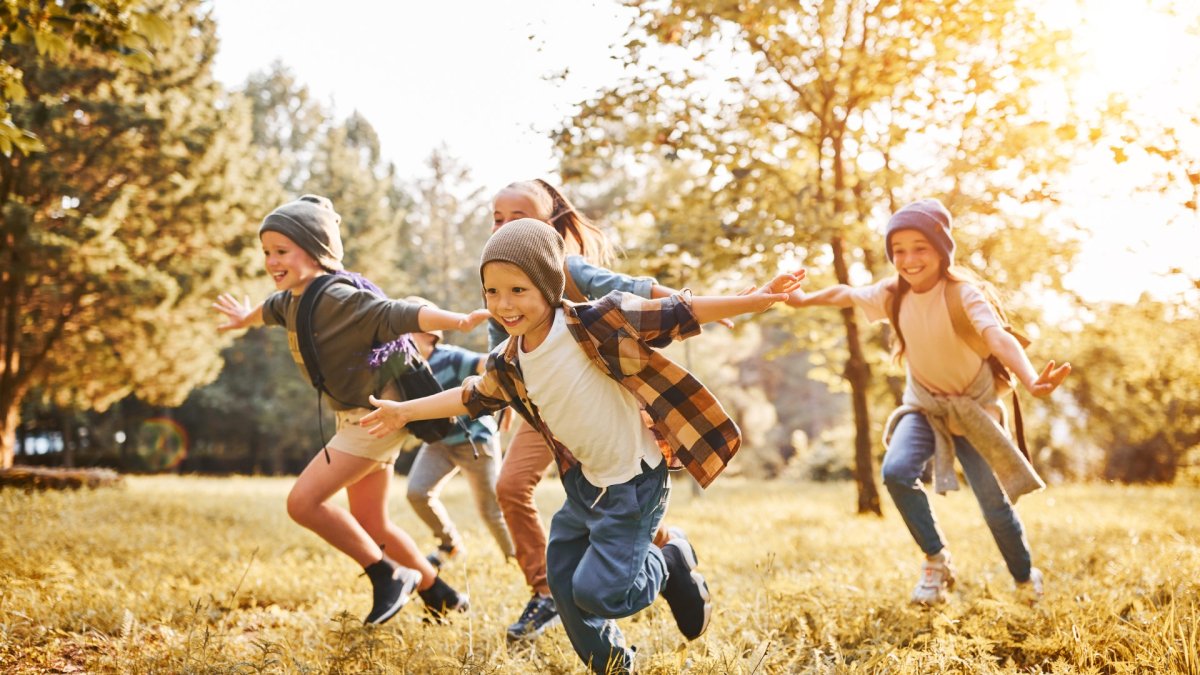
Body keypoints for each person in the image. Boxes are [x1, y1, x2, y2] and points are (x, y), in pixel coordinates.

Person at [361, 219, 805, 673]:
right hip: (584, 486)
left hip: (634, 482)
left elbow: (675, 311)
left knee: (601, 592)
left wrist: (755, 299)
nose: (503, 304)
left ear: (548, 285)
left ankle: (668, 560)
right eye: (491, 291)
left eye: (518, 290)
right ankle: (613, 665)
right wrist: (405, 411)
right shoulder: (509, 360)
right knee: (564, 583)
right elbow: (472, 395)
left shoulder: (595, 322)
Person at [212, 194, 490, 625]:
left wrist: (457, 321)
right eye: (267, 252)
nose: (271, 261)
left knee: (303, 503)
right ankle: (442, 596)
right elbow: (265, 312)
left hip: (377, 415)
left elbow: (396, 313)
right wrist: (242, 318)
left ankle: (387, 576)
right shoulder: (290, 300)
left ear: (317, 251)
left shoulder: (338, 296)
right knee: (370, 521)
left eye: (282, 251)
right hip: (358, 416)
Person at [785, 198, 1071, 605]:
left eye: (920, 247)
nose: (908, 259)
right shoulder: (892, 294)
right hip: (925, 407)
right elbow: (845, 293)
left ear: (941, 249)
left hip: (974, 410)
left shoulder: (963, 294)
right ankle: (937, 560)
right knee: (897, 471)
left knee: (994, 505)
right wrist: (802, 299)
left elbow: (997, 337)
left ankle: (1026, 578)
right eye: (898, 250)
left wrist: (1030, 378)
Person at [487, 179, 716, 641]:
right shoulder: (497, 276)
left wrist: (692, 304)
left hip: (597, 399)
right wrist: (500, 400)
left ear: (551, 222)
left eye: (519, 217)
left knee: (615, 493)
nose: (505, 226)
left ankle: (666, 557)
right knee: (512, 486)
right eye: (497, 219)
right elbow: (499, 346)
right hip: (543, 408)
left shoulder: (570, 268)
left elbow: (630, 289)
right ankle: (546, 592)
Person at [401, 297, 517, 567]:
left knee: (490, 510)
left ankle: (516, 558)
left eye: (408, 330)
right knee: (417, 492)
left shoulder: (452, 358)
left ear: (429, 335)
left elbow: (487, 364)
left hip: (475, 442)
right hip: (439, 444)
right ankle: (450, 545)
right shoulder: (406, 368)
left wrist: (508, 393)